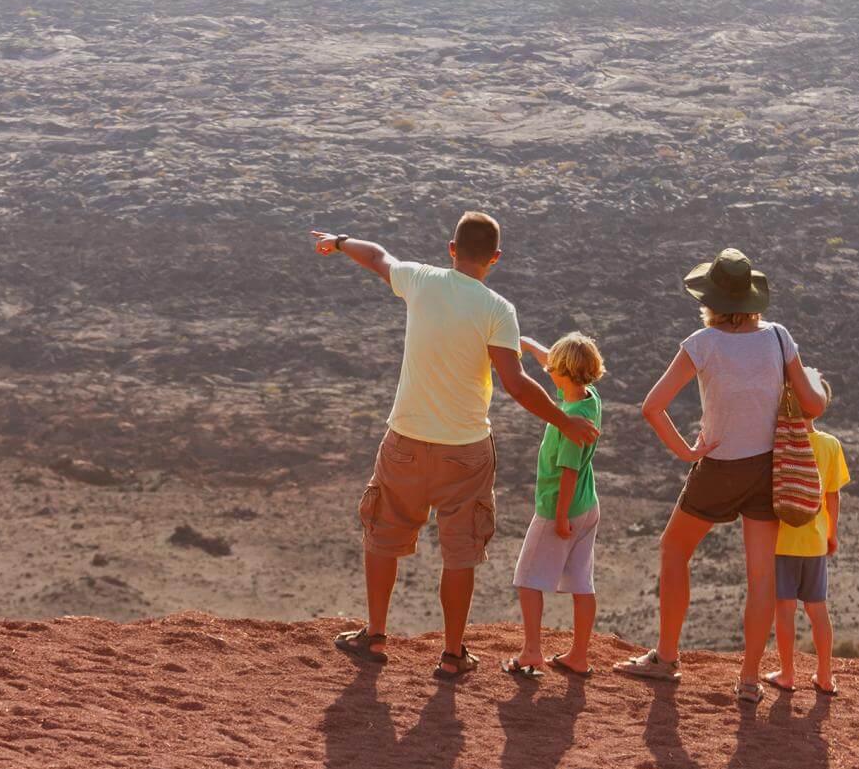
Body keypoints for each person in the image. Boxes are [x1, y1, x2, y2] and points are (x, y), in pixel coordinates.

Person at [311, 213, 600, 680]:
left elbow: (378, 256)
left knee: (383, 534)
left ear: (451, 248)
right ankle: (451, 653)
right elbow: (516, 381)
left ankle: (377, 633)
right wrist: (563, 421)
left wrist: (338, 241)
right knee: (460, 551)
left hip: (405, 438)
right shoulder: (497, 309)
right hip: (465, 449)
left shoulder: (421, 280)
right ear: (495, 258)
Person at [613, 247, 827, 704]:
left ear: (712, 298)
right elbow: (815, 405)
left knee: (673, 549)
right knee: (761, 576)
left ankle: (667, 657)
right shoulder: (778, 338)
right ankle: (748, 679)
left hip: (719, 466)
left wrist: (686, 450)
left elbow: (652, 406)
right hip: (768, 468)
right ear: (752, 298)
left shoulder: (702, 343)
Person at [504, 333, 605, 679]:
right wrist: (529, 345)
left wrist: (560, 517)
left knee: (527, 578)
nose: (547, 370)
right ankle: (578, 655)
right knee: (581, 582)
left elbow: (569, 471)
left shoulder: (573, 419)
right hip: (589, 505)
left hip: (560, 508)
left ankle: (532, 651)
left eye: (551, 368)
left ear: (563, 373)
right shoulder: (590, 398)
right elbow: (557, 360)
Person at [765, 378, 849, 697]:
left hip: (782, 540)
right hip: (814, 542)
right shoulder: (830, 445)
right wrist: (831, 534)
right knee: (818, 609)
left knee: (784, 609)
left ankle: (787, 674)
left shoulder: (780, 443)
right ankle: (825, 676)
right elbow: (833, 497)